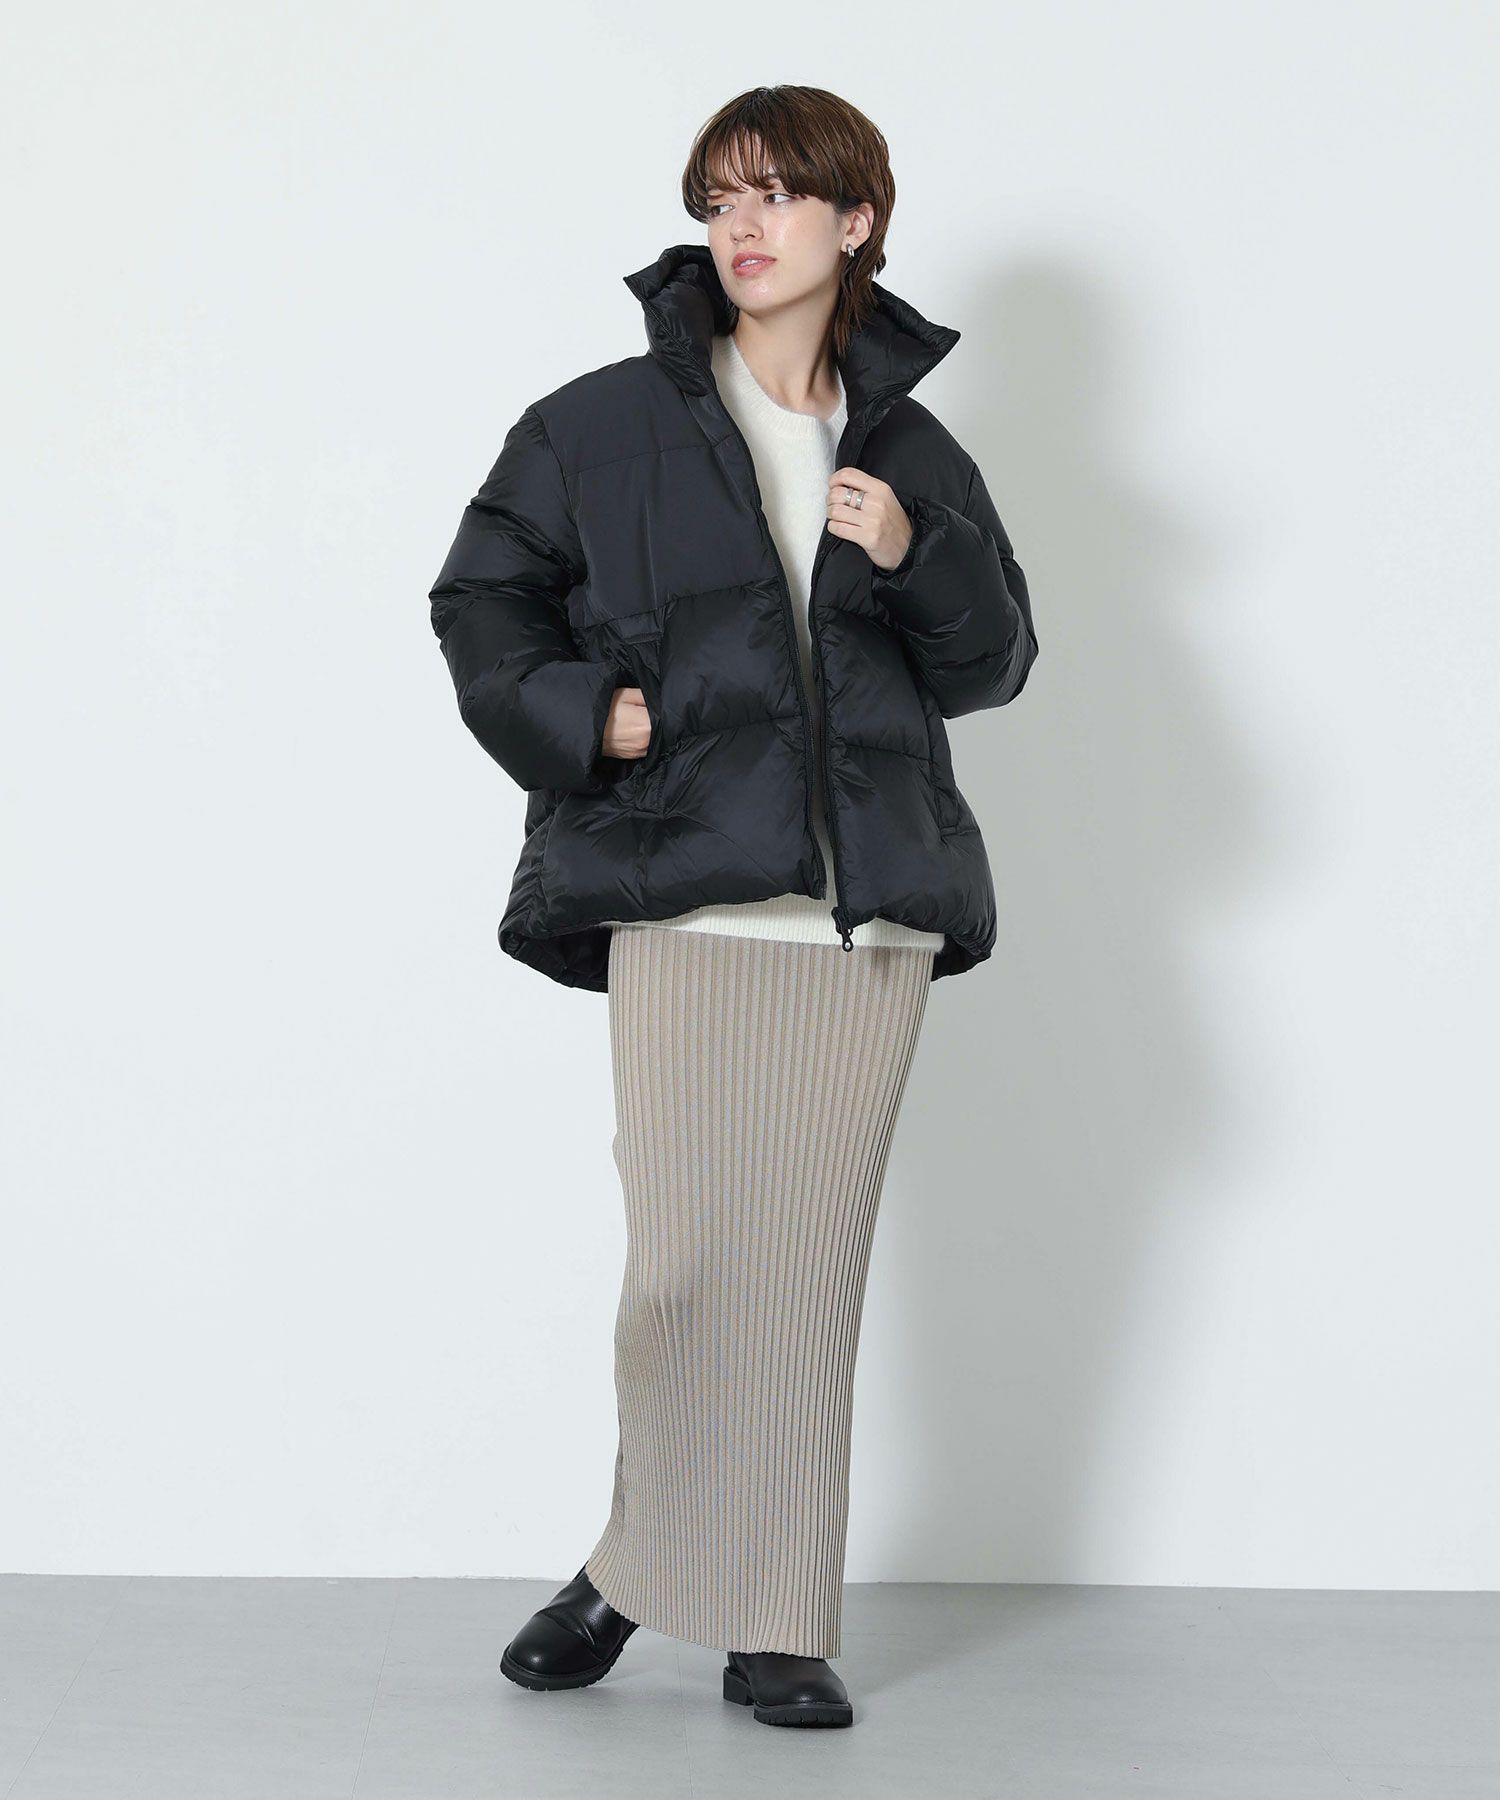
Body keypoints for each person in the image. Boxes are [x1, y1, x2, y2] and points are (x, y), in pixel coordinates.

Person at [427, 84, 1038, 1730]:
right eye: (719, 198)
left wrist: (916, 548)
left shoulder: (912, 451)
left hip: (865, 918)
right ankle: (633, 1568)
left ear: (858, 221)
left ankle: (772, 1622)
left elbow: (994, 662)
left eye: (776, 194)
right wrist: (588, 719)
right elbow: (480, 599)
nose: (742, 227)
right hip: (687, 896)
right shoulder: (597, 424)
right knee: (685, 1275)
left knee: (802, 1281)